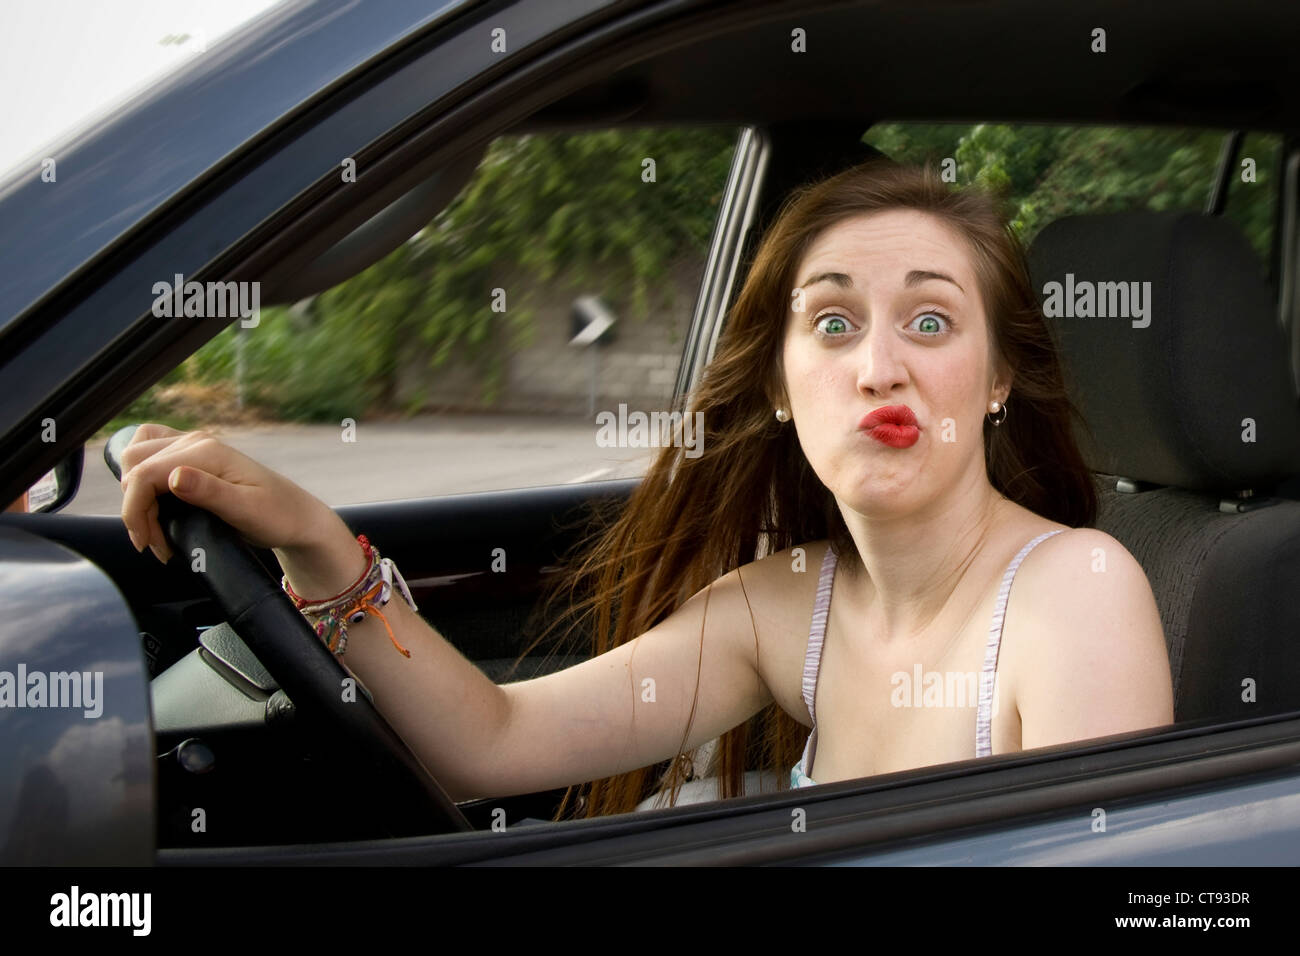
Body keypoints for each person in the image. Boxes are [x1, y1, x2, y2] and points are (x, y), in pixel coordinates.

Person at [116, 160, 1173, 820]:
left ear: (997, 379)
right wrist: (314, 542)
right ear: (779, 386)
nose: (877, 367)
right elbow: (490, 742)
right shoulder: (787, 605)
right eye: (833, 323)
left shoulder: (1073, 594)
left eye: (930, 321)